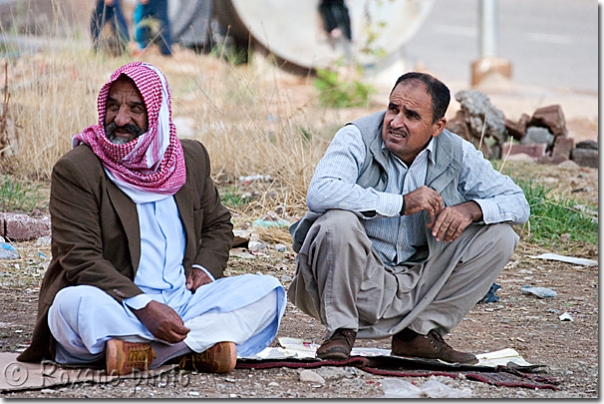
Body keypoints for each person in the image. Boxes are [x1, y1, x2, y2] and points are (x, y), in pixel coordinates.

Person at [17, 62, 286, 376]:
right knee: (71, 305)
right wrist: (143, 306)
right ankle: (195, 348)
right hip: (115, 302)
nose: (120, 119)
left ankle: (140, 352)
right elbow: (80, 258)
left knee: (268, 291)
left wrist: (204, 269)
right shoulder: (79, 169)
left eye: (135, 109)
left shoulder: (189, 159)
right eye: (113, 107)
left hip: (181, 302)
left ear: (157, 112)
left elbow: (218, 226)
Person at [288, 72, 529, 364]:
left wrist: (470, 210)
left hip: (418, 281)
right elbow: (321, 192)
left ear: (438, 126)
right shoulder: (356, 136)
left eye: (411, 115)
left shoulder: (456, 152)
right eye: (393, 108)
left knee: (500, 236)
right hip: (357, 278)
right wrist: (400, 203)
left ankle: (417, 336)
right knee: (336, 222)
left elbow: (518, 203)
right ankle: (341, 330)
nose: (396, 122)